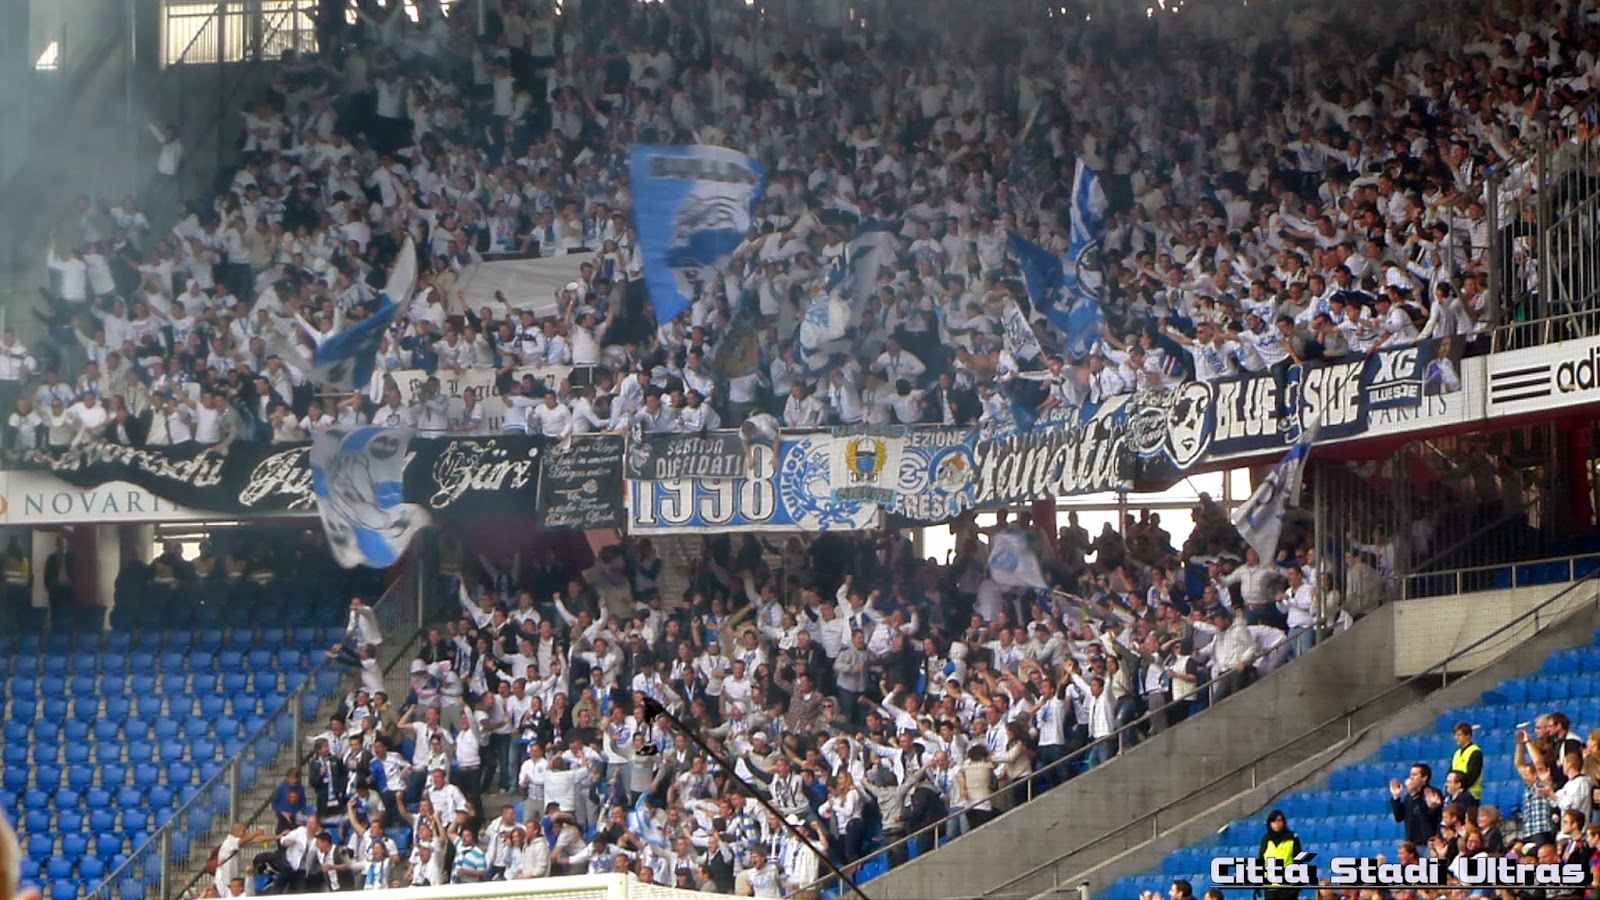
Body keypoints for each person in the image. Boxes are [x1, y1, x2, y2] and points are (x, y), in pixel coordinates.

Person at [1257, 809, 1302, 900]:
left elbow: (1298, 861)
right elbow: (1261, 861)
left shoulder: (1292, 838)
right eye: (1273, 821)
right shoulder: (1266, 840)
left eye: (1279, 820)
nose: (1276, 824)